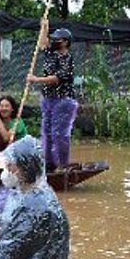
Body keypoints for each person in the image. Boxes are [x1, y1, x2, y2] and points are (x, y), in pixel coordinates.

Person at [27, 27, 78, 172]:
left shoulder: (67, 59)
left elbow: (56, 79)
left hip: (63, 101)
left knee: (59, 134)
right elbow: (43, 43)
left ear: (65, 42)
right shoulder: (51, 54)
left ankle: (62, 165)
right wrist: (44, 26)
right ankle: (49, 164)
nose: (54, 42)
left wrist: (36, 79)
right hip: (48, 99)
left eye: (57, 40)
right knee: (46, 133)